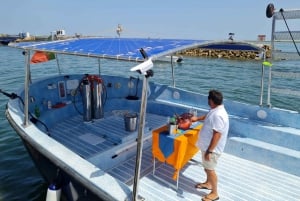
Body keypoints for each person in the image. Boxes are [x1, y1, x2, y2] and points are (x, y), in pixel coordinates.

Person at [191, 89, 229, 201]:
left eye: (208, 99)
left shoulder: (218, 115)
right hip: (207, 146)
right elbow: (208, 115)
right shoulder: (216, 109)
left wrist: (210, 151)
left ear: (211, 100)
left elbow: (217, 135)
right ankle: (208, 184)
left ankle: (215, 193)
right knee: (206, 167)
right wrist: (197, 118)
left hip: (212, 149)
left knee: (210, 169)